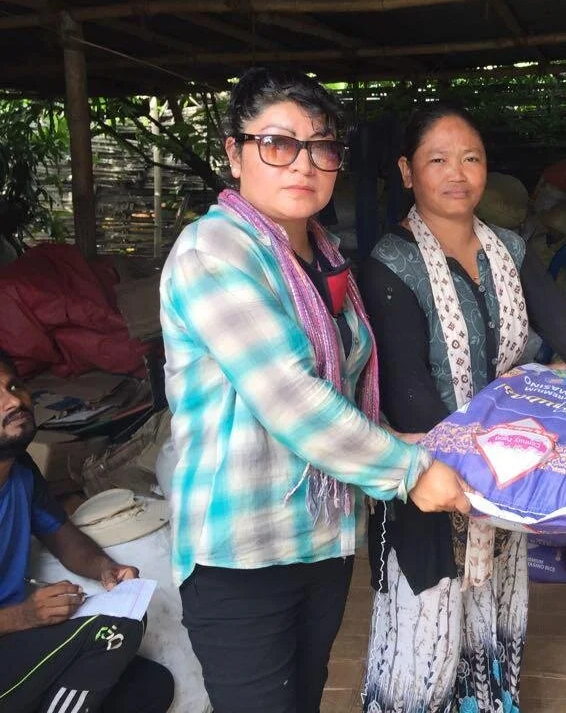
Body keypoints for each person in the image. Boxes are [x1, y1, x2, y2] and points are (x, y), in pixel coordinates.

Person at [159, 68, 468, 713]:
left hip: (321, 537)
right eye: (277, 143)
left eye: (321, 146)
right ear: (235, 153)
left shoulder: (326, 258)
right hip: (241, 550)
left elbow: (344, 395)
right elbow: (293, 399)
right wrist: (411, 470)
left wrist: (415, 442)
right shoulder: (213, 250)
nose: (302, 163)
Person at [358, 103, 566, 713]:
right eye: (437, 159)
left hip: (503, 471)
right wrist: (477, 477)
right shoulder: (391, 263)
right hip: (428, 473)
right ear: (407, 172)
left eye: (471, 158)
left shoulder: (508, 251)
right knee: (427, 627)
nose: (457, 173)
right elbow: (407, 389)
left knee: (490, 609)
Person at [0, 350, 174, 713]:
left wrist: (105, 569)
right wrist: (24, 616)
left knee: (150, 687)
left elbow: (62, 537)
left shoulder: (20, 471)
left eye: (14, 386)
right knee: (110, 635)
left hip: (13, 643)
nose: (14, 401)